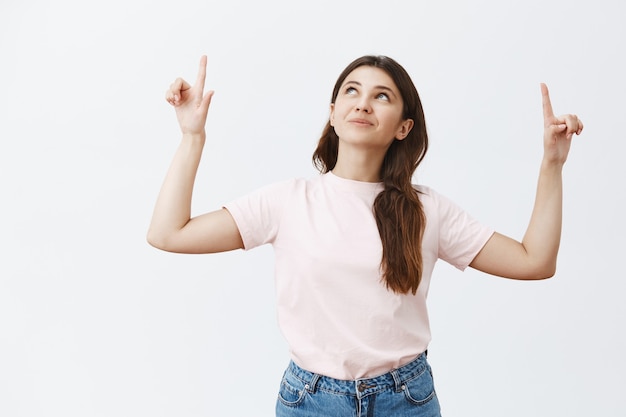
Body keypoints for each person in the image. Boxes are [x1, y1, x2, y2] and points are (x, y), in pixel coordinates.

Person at [147, 55, 583, 416]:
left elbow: (534, 262)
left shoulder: (427, 209)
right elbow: (169, 233)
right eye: (351, 92)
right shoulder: (286, 202)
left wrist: (552, 164)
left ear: (403, 128)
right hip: (309, 401)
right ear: (333, 115)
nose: (363, 104)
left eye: (382, 96)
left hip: (406, 399)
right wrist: (191, 137)